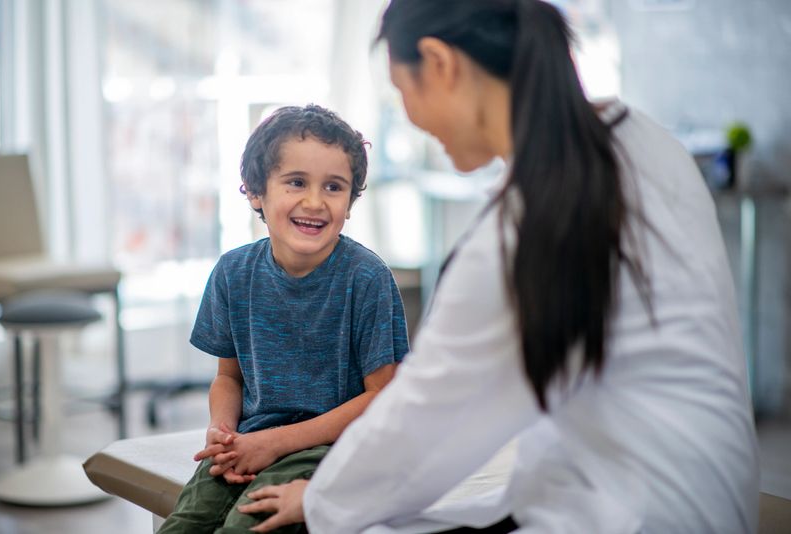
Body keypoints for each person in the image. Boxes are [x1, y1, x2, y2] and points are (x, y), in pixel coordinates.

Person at [239, 1, 760, 533]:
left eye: (403, 92)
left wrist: (322, 497)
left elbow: (425, 418)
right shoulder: (643, 141)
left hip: (637, 510)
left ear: (440, 64)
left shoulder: (523, 229)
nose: (412, 118)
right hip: (709, 493)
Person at [157, 104, 410, 533]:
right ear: (256, 192)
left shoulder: (367, 278)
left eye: (334, 187)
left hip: (332, 448)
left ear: (350, 203)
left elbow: (382, 397)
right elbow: (229, 378)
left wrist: (273, 443)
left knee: (246, 526)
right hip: (252, 440)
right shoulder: (232, 273)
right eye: (296, 182)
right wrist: (223, 432)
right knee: (184, 525)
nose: (314, 202)